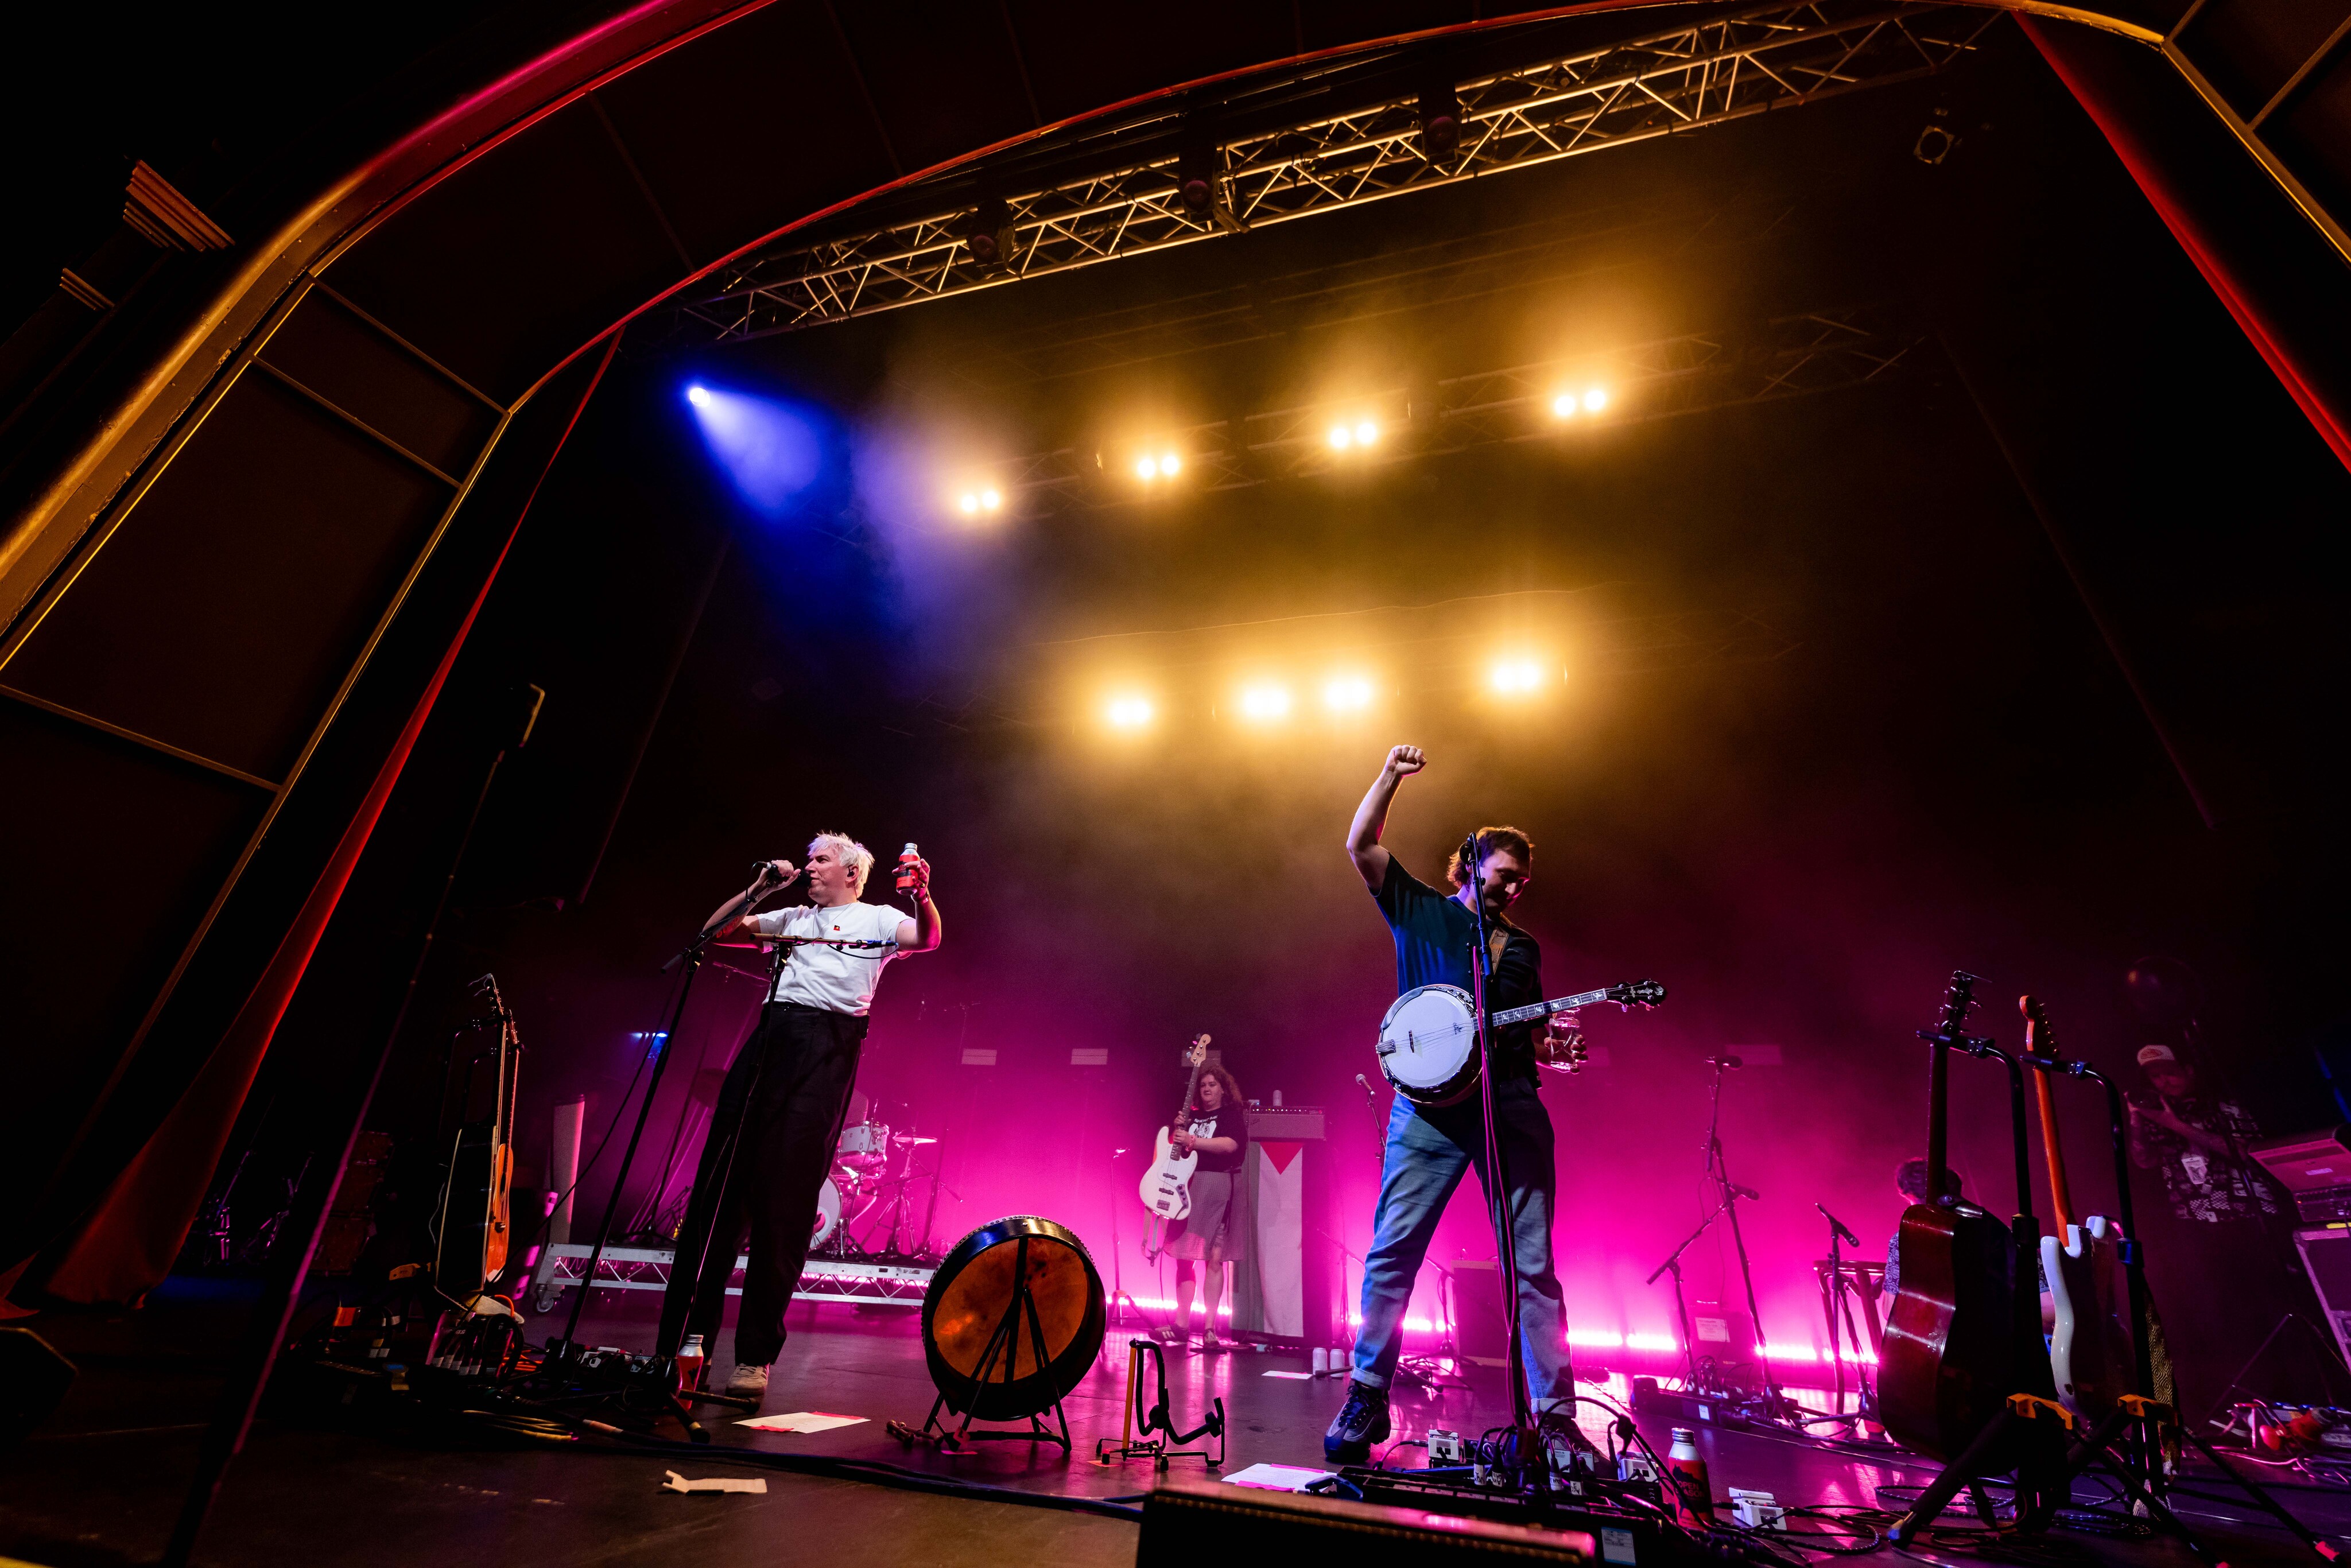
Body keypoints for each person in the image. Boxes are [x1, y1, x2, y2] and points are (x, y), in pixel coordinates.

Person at [1326, 744, 1583, 1462]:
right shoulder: (1418, 911)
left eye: (1522, 880)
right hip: (1428, 1112)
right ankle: (1366, 1392)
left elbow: (1531, 1035)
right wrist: (1388, 776)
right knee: (1392, 1252)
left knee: (1532, 1267)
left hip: (1510, 1105)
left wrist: (1556, 1048)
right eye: (1504, 874)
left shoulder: (1522, 948)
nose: (1514, 888)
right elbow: (1360, 845)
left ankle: (1556, 1418)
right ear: (1471, 864)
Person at [658, 833, 941, 1402]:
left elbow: (927, 938)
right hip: (769, 1040)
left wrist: (922, 896)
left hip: (827, 1047)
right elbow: (715, 933)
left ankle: (754, 1358)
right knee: (719, 1197)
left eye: (821, 859)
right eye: (809, 859)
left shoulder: (877, 917)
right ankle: (687, 1344)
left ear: (852, 873)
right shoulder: (792, 917)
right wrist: (760, 887)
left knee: (784, 1210)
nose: (809, 867)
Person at [2128, 1045, 2277, 1224]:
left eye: (2170, 1073)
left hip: (2247, 1213)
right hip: (2192, 1217)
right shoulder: (2158, 1112)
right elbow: (2145, 1161)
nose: (2164, 1081)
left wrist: (2175, 1125)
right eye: (2155, 1076)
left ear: (2189, 1070)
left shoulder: (2222, 1104)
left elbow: (2243, 1152)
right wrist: (2136, 1122)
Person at [1159, 1062, 1250, 1351]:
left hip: (1219, 1186)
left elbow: (1231, 1145)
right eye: (1203, 1085)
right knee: (1184, 1257)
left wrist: (1193, 1140)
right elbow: (1174, 1150)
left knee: (1215, 1258)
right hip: (1189, 1187)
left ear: (1223, 1089)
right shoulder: (1192, 1116)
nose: (1207, 1089)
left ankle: (1210, 1328)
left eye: (1212, 1084)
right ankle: (1181, 1325)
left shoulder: (1231, 1115)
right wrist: (1178, 1131)